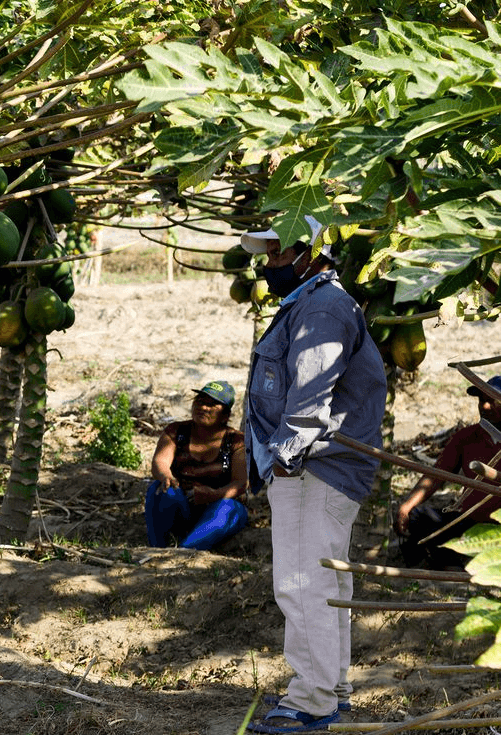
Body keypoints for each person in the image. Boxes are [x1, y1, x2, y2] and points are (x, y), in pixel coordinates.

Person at [241, 214, 387, 735]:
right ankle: (334, 691)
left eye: (281, 252)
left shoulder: (323, 307)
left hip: (314, 465)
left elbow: (310, 396)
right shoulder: (312, 304)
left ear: (314, 254)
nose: (270, 262)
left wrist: (284, 457)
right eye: (269, 252)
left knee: (302, 583)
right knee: (325, 584)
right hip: (320, 466)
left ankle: (311, 702)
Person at [395, 376, 501, 570]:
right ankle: (448, 564)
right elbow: (435, 476)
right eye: (481, 400)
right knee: (418, 517)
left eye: (492, 401)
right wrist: (407, 506)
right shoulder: (466, 437)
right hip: (469, 522)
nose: (484, 407)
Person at [144, 380, 249, 550]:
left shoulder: (236, 441)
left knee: (230, 508)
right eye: (200, 402)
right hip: (181, 504)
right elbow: (160, 461)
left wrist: (213, 494)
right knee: (160, 489)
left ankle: (185, 552)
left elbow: (240, 483)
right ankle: (158, 549)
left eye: (212, 405)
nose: (203, 408)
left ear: (225, 415)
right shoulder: (176, 431)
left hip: (217, 507)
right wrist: (166, 476)